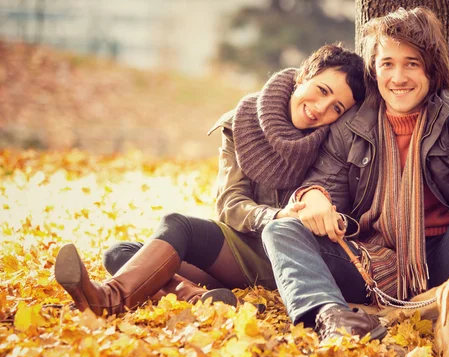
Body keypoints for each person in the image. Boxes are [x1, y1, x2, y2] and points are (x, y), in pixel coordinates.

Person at [262, 7, 449, 342]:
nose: (398, 77)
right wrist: (314, 197)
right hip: (377, 261)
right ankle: (331, 317)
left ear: (430, 68)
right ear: (375, 70)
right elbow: (327, 186)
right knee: (281, 230)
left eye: (411, 63)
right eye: (387, 64)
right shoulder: (351, 126)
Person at [54, 44, 366, 316]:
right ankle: (202, 299)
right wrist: (273, 215)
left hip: (292, 257)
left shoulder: (333, 141)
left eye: (336, 108)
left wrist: (286, 220)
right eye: (322, 91)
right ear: (303, 75)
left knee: (179, 226)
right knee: (121, 253)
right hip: (241, 246)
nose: (321, 109)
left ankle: (108, 299)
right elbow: (230, 204)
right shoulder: (243, 122)